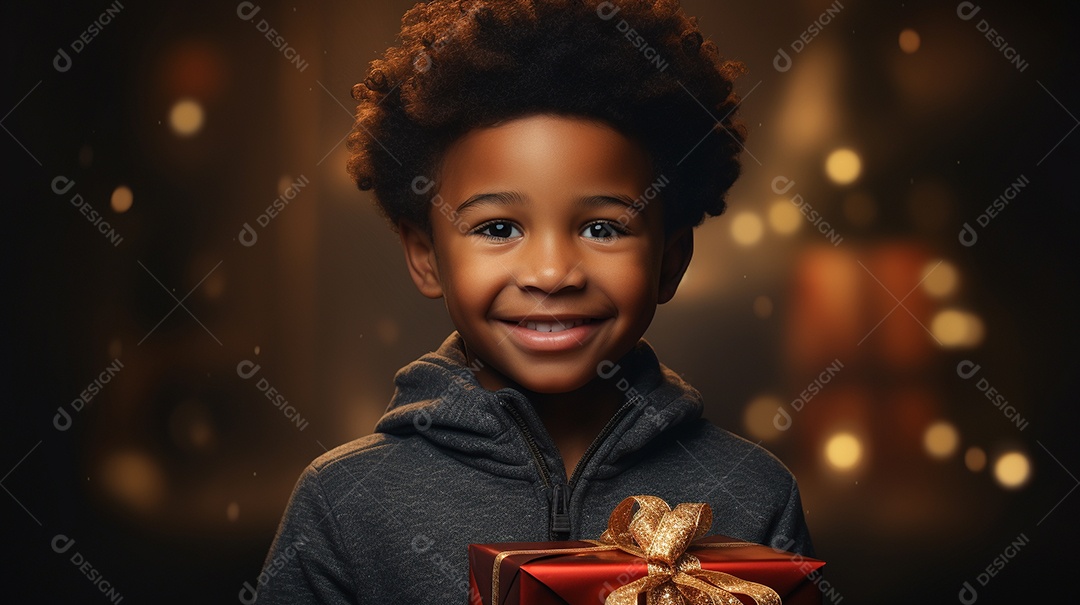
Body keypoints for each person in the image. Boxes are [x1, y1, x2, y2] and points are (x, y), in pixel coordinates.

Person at [254, 1, 813, 602]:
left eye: (602, 228)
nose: (551, 273)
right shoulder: (345, 502)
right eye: (498, 229)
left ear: (670, 261)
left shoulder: (754, 493)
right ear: (425, 256)